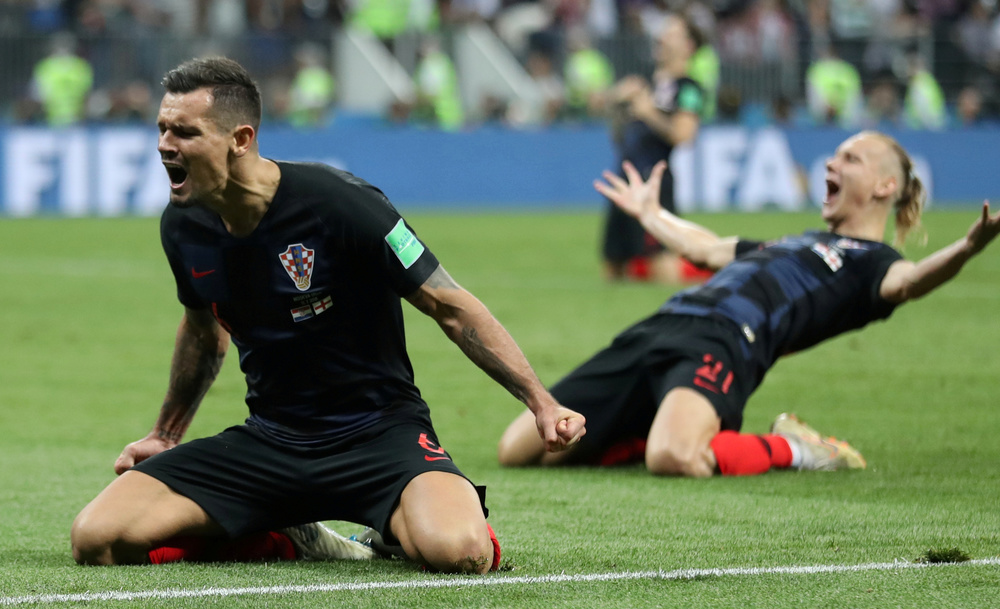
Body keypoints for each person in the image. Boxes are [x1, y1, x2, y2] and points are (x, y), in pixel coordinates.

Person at [70, 57, 585, 573]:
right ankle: (286, 535)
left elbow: (448, 305)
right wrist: (166, 433)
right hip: (270, 441)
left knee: (462, 553)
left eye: (184, 131)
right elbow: (204, 334)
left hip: (381, 436)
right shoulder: (183, 225)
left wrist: (540, 402)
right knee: (97, 539)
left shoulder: (341, 203)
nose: (164, 144)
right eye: (161, 128)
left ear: (241, 139)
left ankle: (395, 527)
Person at [499, 131, 1000, 478]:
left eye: (851, 159)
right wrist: (652, 215)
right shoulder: (790, 242)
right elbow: (705, 246)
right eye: (835, 156)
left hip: (725, 344)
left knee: (673, 458)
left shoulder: (873, 262)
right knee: (520, 447)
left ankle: (798, 449)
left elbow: (910, 281)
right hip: (661, 325)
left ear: (885, 187)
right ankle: (640, 430)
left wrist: (966, 249)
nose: (832, 163)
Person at [602, 12, 708, 285]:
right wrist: (617, 101)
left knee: (660, 259)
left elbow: (684, 135)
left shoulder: (689, 89)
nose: (661, 37)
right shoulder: (647, 84)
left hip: (653, 183)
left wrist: (649, 112)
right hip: (625, 181)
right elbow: (618, 134)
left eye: (671, 33)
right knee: (613, 262)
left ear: (688, 46)